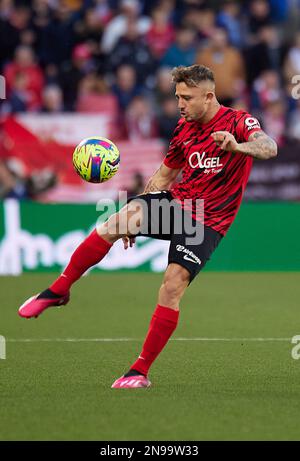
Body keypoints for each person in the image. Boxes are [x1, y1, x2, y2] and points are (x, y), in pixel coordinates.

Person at [18, 65, 277, 389]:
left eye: (187, 97)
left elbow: (269, 146)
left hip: (208, 220)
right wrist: (137, 212)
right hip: (178, 203)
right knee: (115, 221)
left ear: (209, 96)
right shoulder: (184, 128)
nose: (180, 104)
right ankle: (58, 290)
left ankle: (139, 371)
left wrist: (238, 147)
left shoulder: (239, 122)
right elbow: (165, 176)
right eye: (177, 96)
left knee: (172, 285)